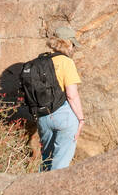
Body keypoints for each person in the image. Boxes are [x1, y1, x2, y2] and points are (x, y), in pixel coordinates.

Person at [33, 27, 85, 171]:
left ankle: (38, 191)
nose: (74, 48)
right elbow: (71, 95)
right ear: (67, 43)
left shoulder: (39, 62)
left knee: (46, 162)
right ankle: (54, 193)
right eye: (73, 44)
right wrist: (81, 119)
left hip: (43, 117)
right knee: (60, 167)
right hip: (64, 115)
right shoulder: (66, 62)